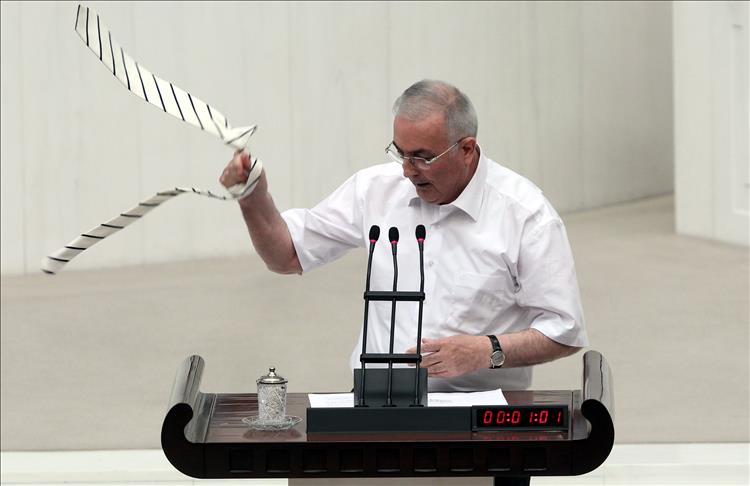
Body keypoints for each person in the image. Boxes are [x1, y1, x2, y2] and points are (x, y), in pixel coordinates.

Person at [220, 80, 588, 392]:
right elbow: (286, 256)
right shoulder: (375, 190)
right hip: (376, 405)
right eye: (401, 154)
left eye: (423, 157)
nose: (408, 171)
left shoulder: (526, 215)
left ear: (466, 149)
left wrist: (485, 351)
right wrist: (253, 198)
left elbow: (565, 331)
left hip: (479, 417)